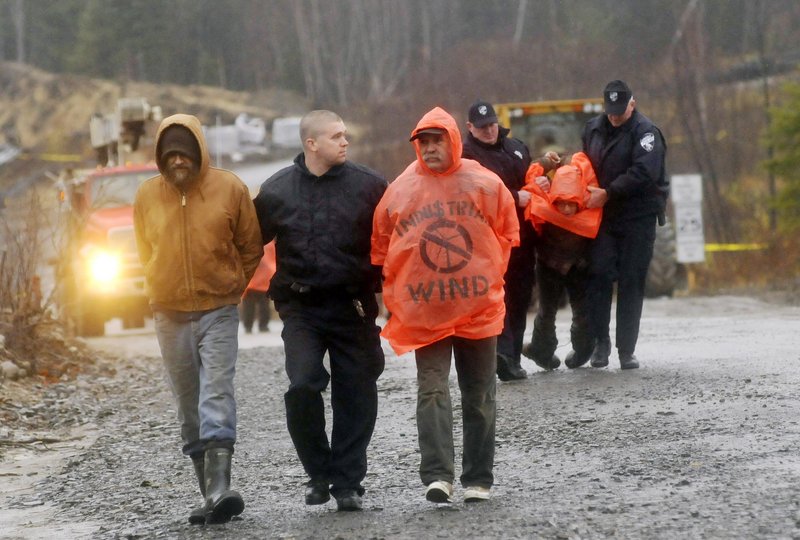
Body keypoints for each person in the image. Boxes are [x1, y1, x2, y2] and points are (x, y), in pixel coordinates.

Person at [372, 107, 519, 504]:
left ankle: (478, 478)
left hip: (477, 309)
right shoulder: (400, 190)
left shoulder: (484, 184)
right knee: (431, 391)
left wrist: (487, 279)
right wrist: (397, 296)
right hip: (426, 313)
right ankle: (438, 475)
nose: (431, 148)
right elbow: (382, 248)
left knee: (479, 393)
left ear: (453, 140)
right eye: (424, 141)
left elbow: (508, 234)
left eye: (438, 140)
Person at [252, 110, 386, 512]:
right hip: (302, 308)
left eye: (346, 135)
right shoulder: (277, 192)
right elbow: (246, 243)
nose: (345, 142)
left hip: (353, 304)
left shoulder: (371, 187)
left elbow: (398, 238)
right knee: (303, 383)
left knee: (356, 390)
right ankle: (318, 472)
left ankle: (347, 482)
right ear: (312, 144)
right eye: (336, 136)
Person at [133, 114, 263, 524]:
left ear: (198, 152)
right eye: (169, 155)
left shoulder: (230, 188)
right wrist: (158, 280)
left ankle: (221, 486)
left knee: (216, 393)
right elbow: (143, 248)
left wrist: (232, 285)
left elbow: (251, 246)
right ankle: (210, 495)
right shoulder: (146, 195)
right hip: (169, 314)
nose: (177, 162)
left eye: (183, 154)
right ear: (160, 157)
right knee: (188, 405)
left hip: (218, 309)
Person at [462, 100, 558, 380]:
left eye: (492, 124)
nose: (489, 130)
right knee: (497, 298)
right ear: (470, 127)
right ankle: (501, 355)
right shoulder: (466, 157)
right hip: (489, 240)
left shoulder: (516, 147)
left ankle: (512, 356)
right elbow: (473, 194)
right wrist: (515, 197)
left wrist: (543, 183)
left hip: (524, 238)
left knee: (521, 297)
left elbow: (531, 179)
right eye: (482, 127)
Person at [583, 80, 668, 370]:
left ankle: (626, 349)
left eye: (620, 110)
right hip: (603, 217)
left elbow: (645, 172)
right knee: (598, 274)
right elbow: (585, 165)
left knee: (632, 281)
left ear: (632, 104)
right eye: (610, 110)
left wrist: (609, 192)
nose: (614, 116)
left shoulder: (646, 133)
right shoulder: (593, 128)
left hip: (637, 217)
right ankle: (600, 343)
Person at [521, 153, 603, 370]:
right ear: (553, 199)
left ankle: (582, 348)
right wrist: (548, 161)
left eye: (571, 204)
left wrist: (553, 163)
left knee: (581, 311)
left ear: (579, 200)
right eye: (561, 204)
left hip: (577, 265)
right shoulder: (545, 202)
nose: (566, 210)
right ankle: (542, 350)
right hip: (549, 265)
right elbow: (532, 177)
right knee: (546, 312)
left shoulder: (587, 205)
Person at [240, 242, 275, 333]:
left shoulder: (248, 241)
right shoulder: (270, 244)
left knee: (249, 306)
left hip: (251, 281)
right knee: (264, 305)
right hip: (265, 280)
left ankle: (248, 326)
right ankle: (263, 326)